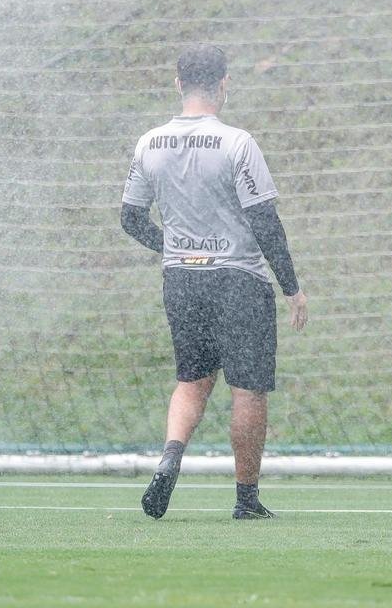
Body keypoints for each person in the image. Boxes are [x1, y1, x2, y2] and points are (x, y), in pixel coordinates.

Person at [122, 42, 308, 520]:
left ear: (177, 83)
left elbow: (130, 217)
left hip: (181, 279)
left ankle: (170, 458)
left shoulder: (150, 142)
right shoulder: (237, 143)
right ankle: (246, 500)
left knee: (191, 381)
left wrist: (172, 248)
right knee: (247, 389)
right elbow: (266, 221)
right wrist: (291, 287)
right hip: (238, 279)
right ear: (224, 82)